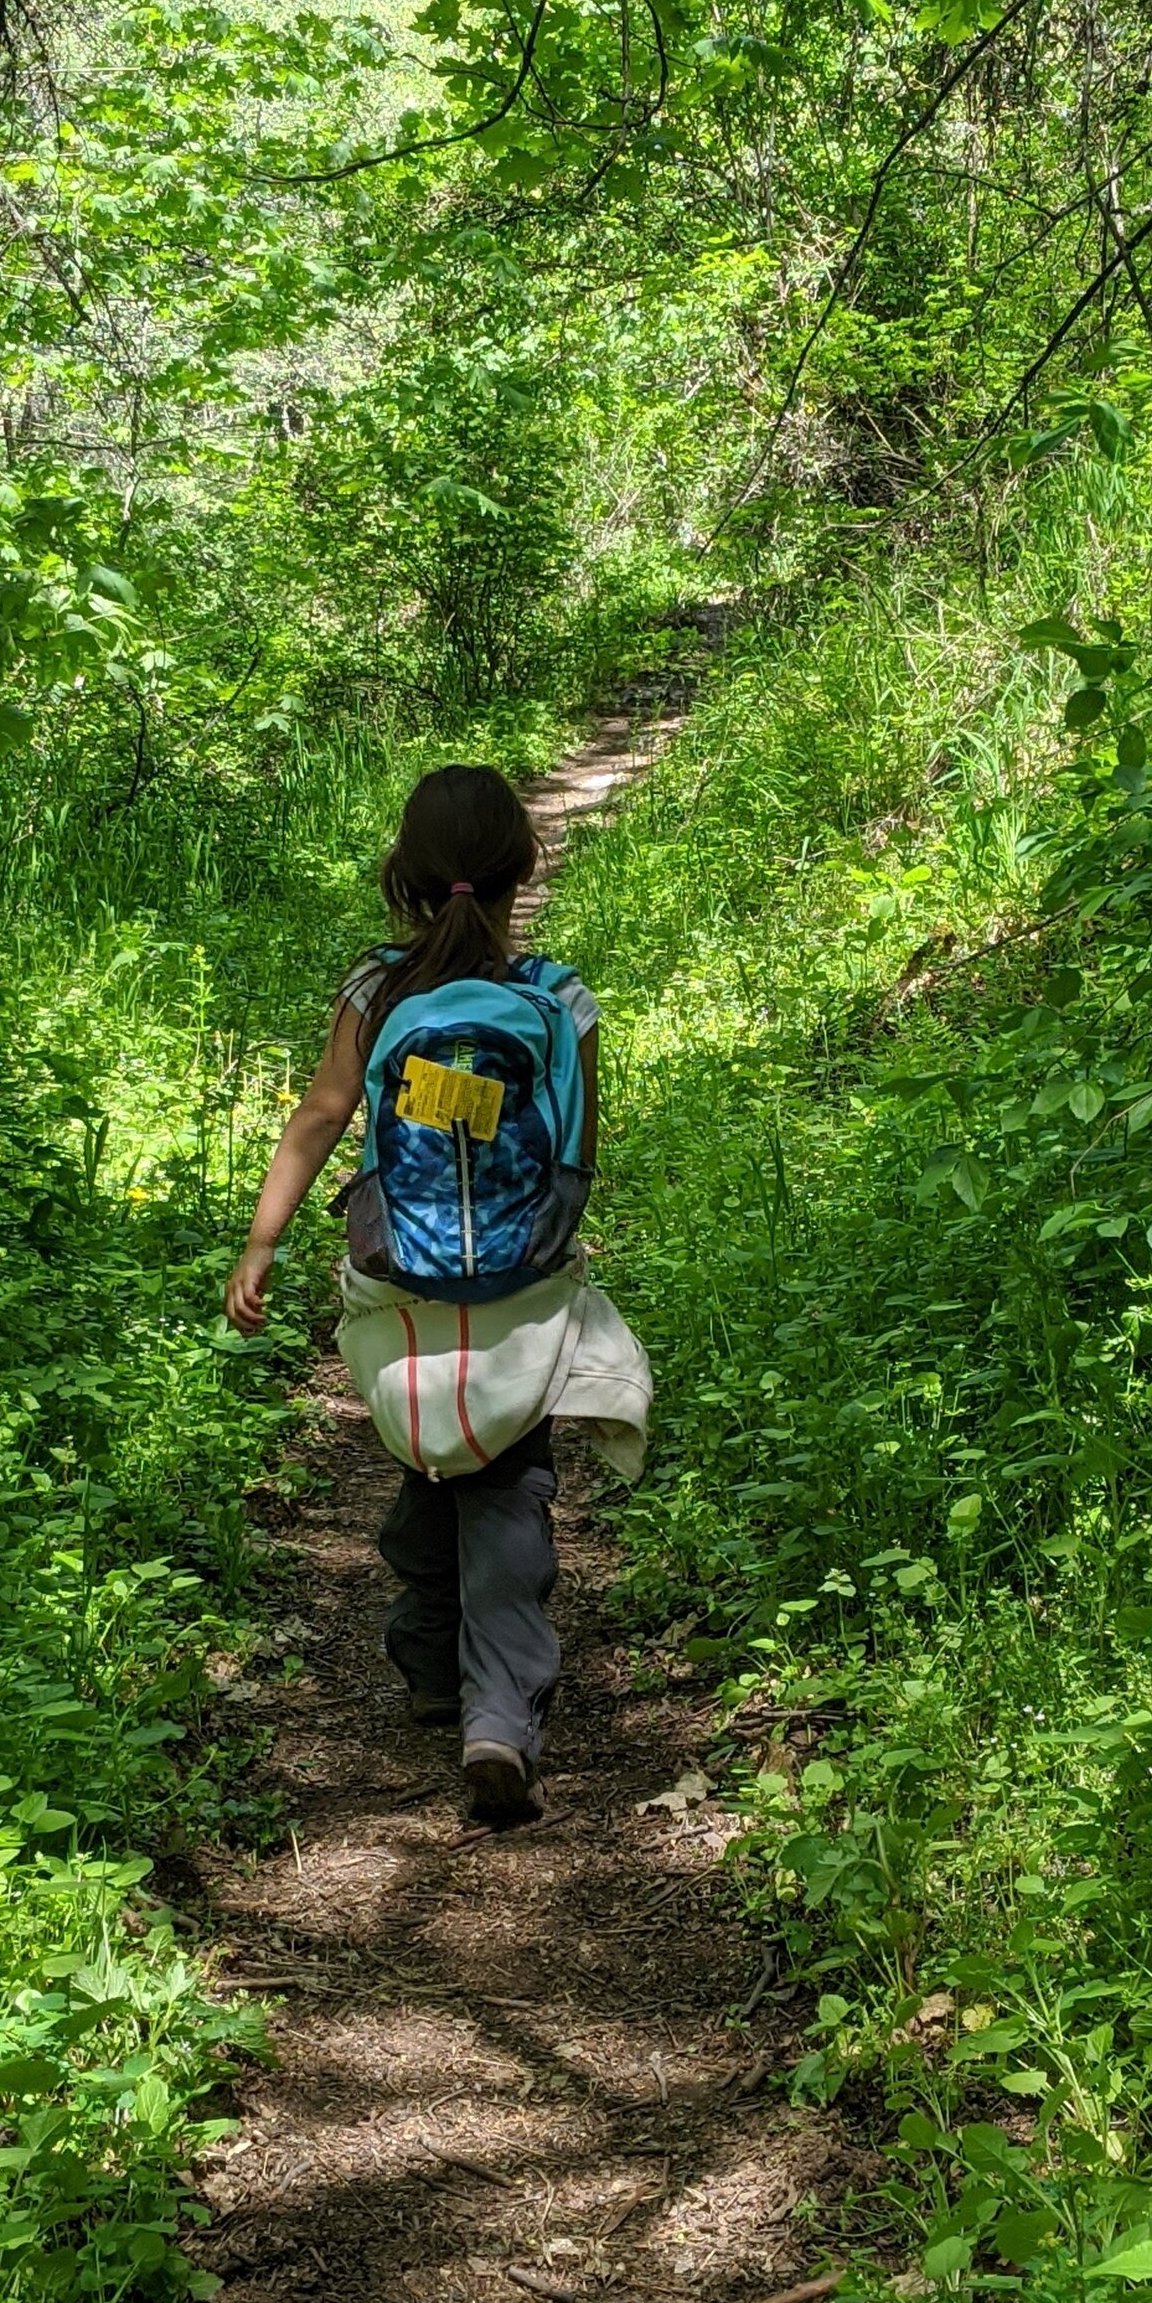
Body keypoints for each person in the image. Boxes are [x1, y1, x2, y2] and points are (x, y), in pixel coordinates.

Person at [224, 764, 649, 1831]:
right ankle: (495, 1712)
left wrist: (262, 1244)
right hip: (520, 1271)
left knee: (426, 1445)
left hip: (397, 1273)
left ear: (404, 875)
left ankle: (425, 1656)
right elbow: (578, 1150)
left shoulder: (377, 991)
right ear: (523, 867)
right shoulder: (558, 997)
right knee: (504, 1471)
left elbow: (321, 1120)